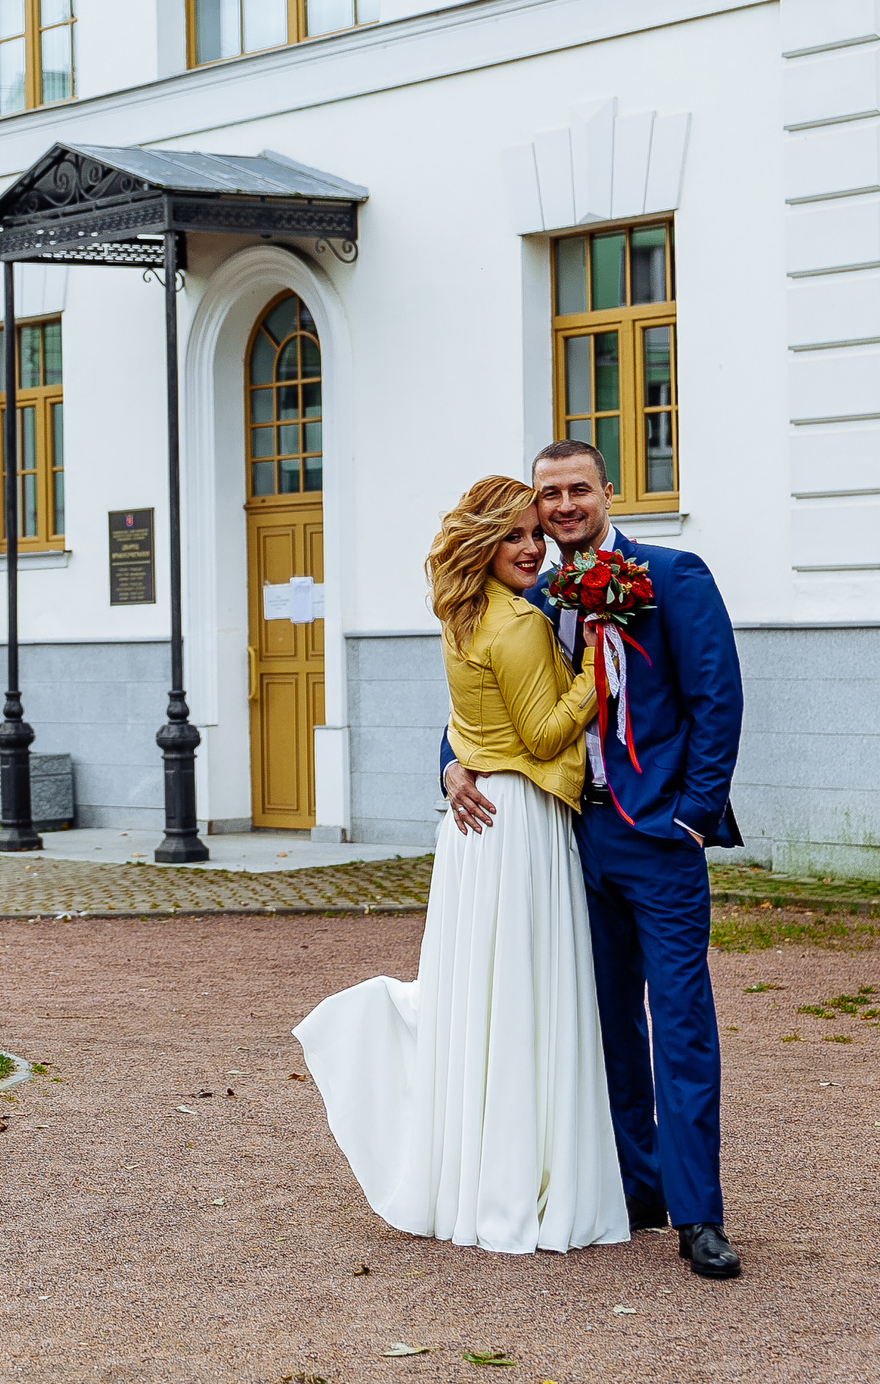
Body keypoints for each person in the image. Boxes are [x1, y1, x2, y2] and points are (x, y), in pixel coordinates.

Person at [292, 475, 629, 1254]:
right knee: (524, 993)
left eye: (534, 535)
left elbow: (469, 720)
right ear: (482, 543)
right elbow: (546, 734)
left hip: (480, 832)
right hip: (519, 825)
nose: (532, 547)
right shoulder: (513, 624)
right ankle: (520, 1178)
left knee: (488, 992)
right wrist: (595, 675)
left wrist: (460, 764)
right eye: (514, 535)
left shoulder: (460, 614)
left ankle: (474, 1171)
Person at [440, 441, 745, 1280]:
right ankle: (637, 1183)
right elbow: (479, 696)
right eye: (550, 494)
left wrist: (692, 816)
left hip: (655, 836)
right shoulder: (530, 593)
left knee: (680, 1020)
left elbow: (717, 700)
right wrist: (450, 760)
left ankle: (697, 1213)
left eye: (579, 488)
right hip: (569, 835)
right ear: (536, 509)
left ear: (608, 490)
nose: (564, 505)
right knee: (602, 1020)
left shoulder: (673, 576)